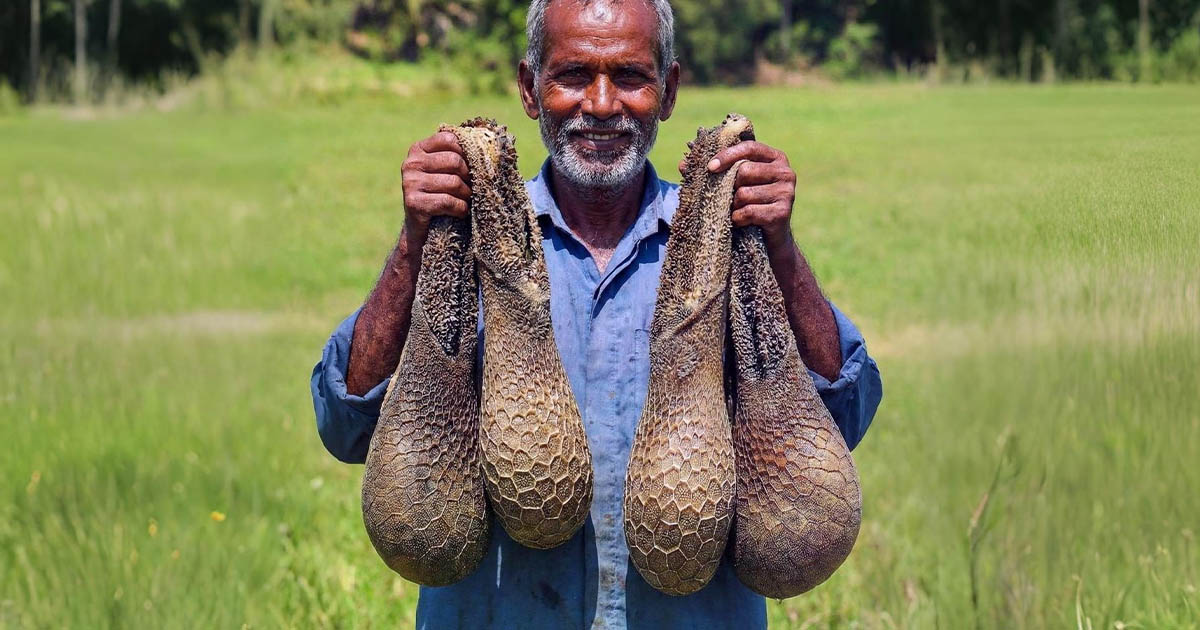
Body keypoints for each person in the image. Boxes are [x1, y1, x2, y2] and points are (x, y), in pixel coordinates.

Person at [311, 0, 883, 627]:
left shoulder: (723, 235)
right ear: (531, 89)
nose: (603, 104)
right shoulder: (478, 234)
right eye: (574, 75)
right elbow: (347, 422)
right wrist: (414, 240)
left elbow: (840, 418)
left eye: (632, 77)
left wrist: (778, 244)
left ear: (669, 91)